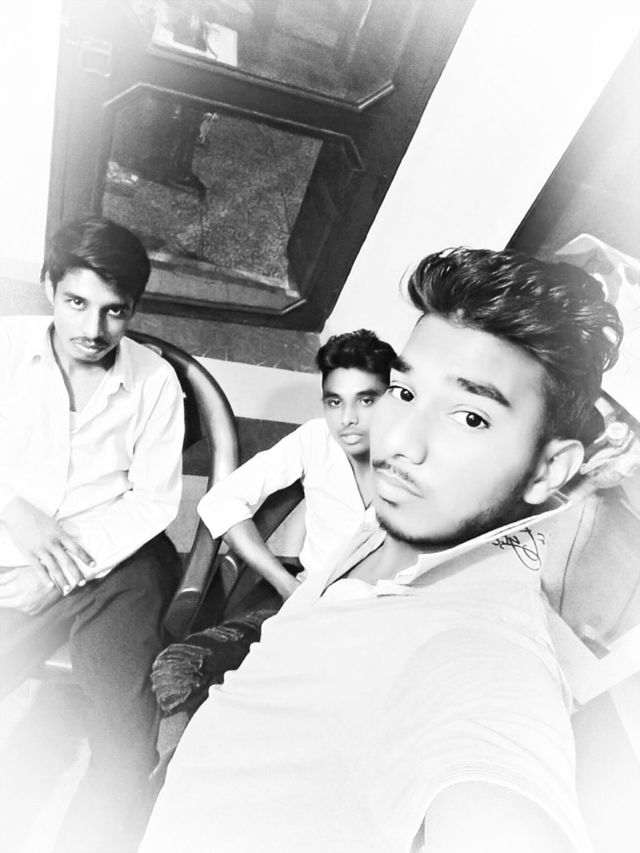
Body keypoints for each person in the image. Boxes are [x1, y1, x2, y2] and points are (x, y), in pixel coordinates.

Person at [140, 247, 623, 853]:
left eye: (471, 417)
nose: (398, 443)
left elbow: (499, 778)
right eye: (404, 391)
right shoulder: (400, 512)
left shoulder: (482, 657)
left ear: (549, 470)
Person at [0, 217, 184, 853]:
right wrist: (12, 509)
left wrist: (61, 568)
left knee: (125, 740)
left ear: (134, 308)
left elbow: (154, 501)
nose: (93, 329)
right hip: (8, 563)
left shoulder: (155, 380)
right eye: (76, 302)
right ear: (49, 286)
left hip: (116, 566)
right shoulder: (3, 346)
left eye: (115, 311)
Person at [150, 329, 396, 716]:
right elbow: (221, 500)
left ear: (393, 397)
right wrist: (284, 583)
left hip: (376, 630)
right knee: (178, 669)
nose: (348, 418)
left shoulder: (415, 462)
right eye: (335, 402)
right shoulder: (315, 439)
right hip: (304, 607)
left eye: (366, 400)